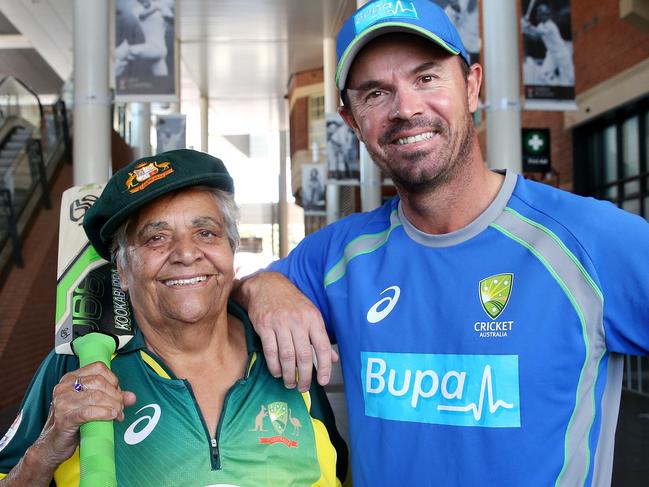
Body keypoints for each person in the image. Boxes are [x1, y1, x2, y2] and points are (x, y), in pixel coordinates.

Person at [234, 1, 649, 486]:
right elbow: (220, 304)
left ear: (472, 86)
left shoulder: (589, 241)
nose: (405, 108)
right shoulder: (337, 256)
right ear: (352, 121)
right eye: (375, 93)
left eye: (427, 78)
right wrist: (261, 287)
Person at [0, 149, 348, 486]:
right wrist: (45, 451)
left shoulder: (283, 350)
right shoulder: (76, 369)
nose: (185, 253)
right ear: (121, 267)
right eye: (157, 238)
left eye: (206, 233)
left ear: (230, 250)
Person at [522, 3, 575, 86]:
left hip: (561, 54)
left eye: (544, 14)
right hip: (551, 54)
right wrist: (524, 30)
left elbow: (537, 33)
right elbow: (535, 37)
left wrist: (527, 26)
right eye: (541, 14)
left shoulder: (550, 26)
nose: (542, 16)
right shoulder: (540, 25)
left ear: (548, 15)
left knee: (569, 79)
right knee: (543, 75)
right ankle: (557, 88)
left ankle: (562, 89)